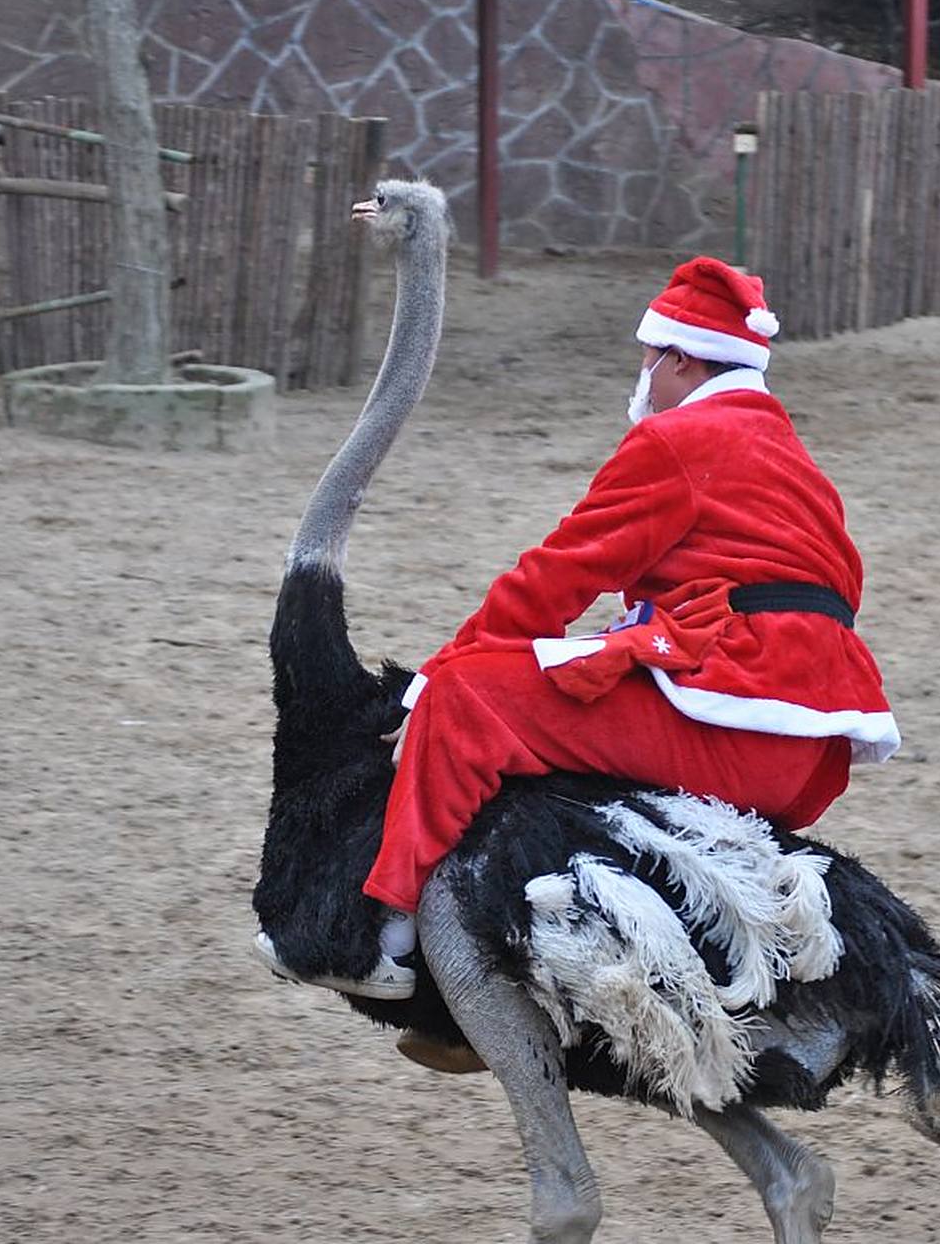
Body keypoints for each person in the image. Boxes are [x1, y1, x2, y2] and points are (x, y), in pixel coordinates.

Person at [267, 256, 900, 1002]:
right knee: (562, 687)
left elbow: (556, 578)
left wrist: (431, 683)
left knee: (468, 699)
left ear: (682, 360)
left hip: (737, 722)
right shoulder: (789, 455)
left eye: (648, 357)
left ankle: (380, 935)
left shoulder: (679, 440)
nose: (642, 376)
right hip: (808, 750)